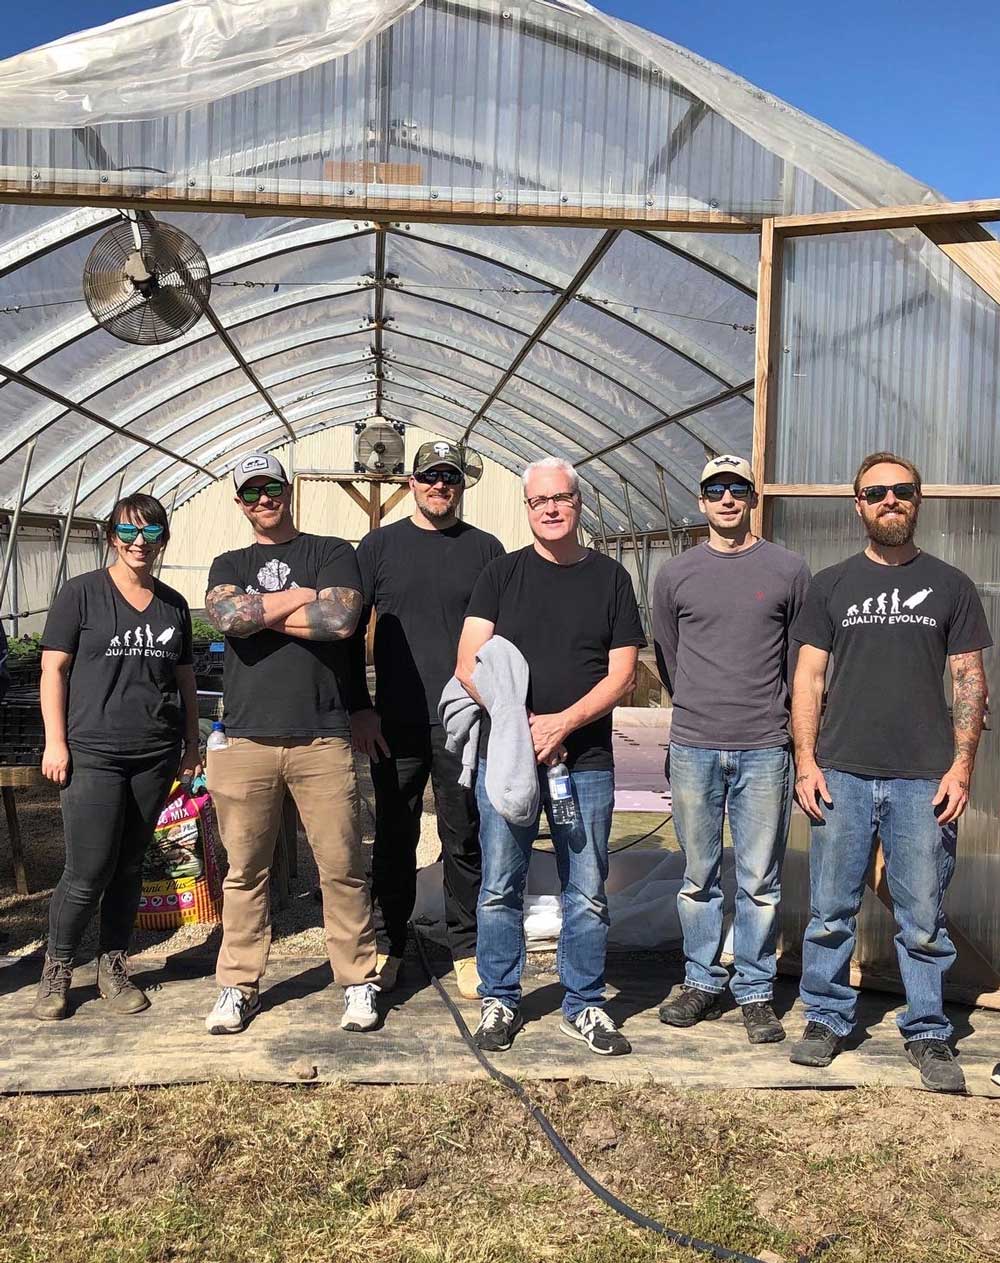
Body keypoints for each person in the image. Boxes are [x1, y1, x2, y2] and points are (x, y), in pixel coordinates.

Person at [790, 452, 991, 1092]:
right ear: (858, 505)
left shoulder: (951, 585)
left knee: (922, 916)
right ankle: (824, 1017)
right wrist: (805, 762)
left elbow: (969, 679)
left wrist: (961, 768)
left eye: (902, 490)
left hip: (923, 778)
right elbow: (809, 679)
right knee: (830, 908)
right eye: (875, 492)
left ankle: (929, 1031)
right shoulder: (831, 586)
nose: (889, 500)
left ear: (918, 500)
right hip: (842, 772)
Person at [456, 456, 645, 1056]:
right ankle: (500, 999)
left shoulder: (610, 579)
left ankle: (584, 1004)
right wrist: (520, 726)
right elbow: (468, 665)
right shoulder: (500, 574)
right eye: (539, 501)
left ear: (578, 504)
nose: (551, 509)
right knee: (499, 884)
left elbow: (623, 675)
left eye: (561, 498)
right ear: (528, 509)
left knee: (585, 888)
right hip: (507, 758)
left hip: (583, 760)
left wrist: (563, 723)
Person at [203, 451, 380, 1036]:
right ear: (240, 501)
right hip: (247, 737)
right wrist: (303, 597)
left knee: (343, 865)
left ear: (288, 490)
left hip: (321, 737)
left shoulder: (332, 551)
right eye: (251, 492)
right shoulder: (228, 559)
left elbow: (341, 624)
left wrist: (258, 613)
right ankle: (238, 985)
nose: (263, 500)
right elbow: (226, 619)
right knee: (244, 870)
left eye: (271, 488)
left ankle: (356, 981)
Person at [653, 455, 810, 1044]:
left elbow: (800, 661)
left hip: (765, 746)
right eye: (714, 490)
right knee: (698, 875)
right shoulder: (675, 575)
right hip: (694, 742)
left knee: (759, 878)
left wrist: (792, 733)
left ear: (752, 498)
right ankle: (700, 980)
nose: (726, 498)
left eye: (737, 489)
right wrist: (696, 704)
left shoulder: (789, 569)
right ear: (700, 501)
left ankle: (755, 989)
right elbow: (667, 653)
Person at [34, 494, 199, 1021]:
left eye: (150, 535)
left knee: (129, 864)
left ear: (163, 540)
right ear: (111, 538)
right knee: (87, 868)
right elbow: (53, 671)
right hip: (93, 753)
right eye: (128, 533)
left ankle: (113, 963)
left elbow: (185, 680)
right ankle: (57, 966)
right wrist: (55, 742)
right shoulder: (81, 594)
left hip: (154, 754)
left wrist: (190, 744)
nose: (138, 544)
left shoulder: (173, 603)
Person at [350, 440, 504, 997]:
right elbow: (348, 630)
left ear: (462, 486)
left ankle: (466, 946)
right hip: (394, 718)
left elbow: (502, 638)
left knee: (463, 832)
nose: (441, 486)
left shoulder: (486, 548)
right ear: (411, 483)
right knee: (394, 832)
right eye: (431, 476)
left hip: (463, 719)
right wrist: (358, 706)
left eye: (451, 478)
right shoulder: (379, 547)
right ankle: (390, 941)